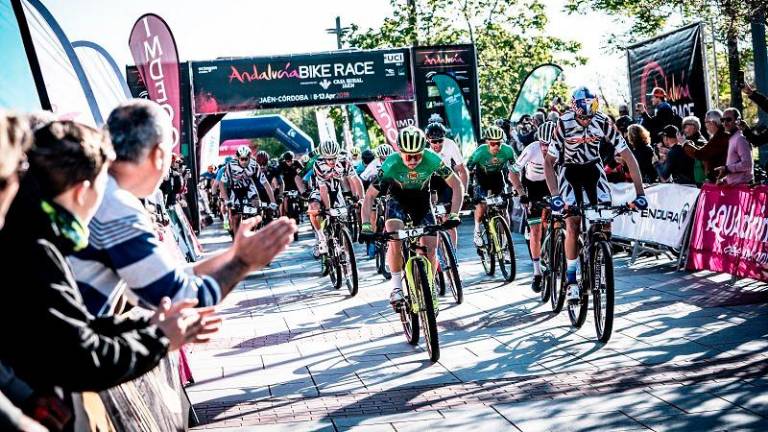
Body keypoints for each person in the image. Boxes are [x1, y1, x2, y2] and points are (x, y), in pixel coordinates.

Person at [0, 120, 222, 431]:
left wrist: (145, 325)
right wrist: (158, 338)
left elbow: (64, 329)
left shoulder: (35, 235)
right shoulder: (35, 246)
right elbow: (79, 356)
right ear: (83, 191)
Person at [71, 99, 296, 316]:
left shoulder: (98, 188)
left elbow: (147, 285)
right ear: (158, 154)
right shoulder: (116, 206)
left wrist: (233, 254)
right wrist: (243, 262)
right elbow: (177, 296)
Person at [543, 86, 647, 303]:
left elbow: (627, 155)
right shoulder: (563, 123)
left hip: (593, 169)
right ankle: (571, 279)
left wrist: (640, 192)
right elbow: (549, 162)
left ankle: (598, 254)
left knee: (604, 220)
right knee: (572, 222)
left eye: (589, 117)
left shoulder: (602, 121)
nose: (586, 122)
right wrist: (555, 195)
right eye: (582, 117)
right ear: (575, 110)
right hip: (568, 170)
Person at [359, 127, 464, 308]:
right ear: (400, 152)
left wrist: (454, 214)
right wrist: (366, 225)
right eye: (408, 156)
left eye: (417, 155)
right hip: (397, 200)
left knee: (431, 247)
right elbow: (369, 196)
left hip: (422, 202)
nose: (413, 160)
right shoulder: (390, 163)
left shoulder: (433, 159)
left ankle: (430, 284)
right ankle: (397, 287)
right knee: (394, 236)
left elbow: (457, 184)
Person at [509, 121, 555, 292]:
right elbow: (512, 173)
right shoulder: (531, 149)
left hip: (551, 185)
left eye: (549, 144)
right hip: (532, 187)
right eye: (543, 144)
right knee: (535, 230)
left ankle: (557, 248)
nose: (545, 148)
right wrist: (522, 194)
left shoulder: (562, 147)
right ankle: (536, 273)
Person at [306, 140, 364, 255]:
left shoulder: (344, 162)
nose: (332, 161)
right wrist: (327, 209)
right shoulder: (318, 164)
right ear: (323, 157)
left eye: (334, 158)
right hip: (319, 189)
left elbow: (355, 179)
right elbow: (323, 189)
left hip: (335, 190)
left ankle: (345, 252)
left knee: (342, 217)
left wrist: (361, 198)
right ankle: (321, 237)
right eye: (328, 159)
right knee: (314, 209)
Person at [467, 125, 517, 247]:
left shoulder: (508, 150)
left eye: (499, 143)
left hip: (497, 177)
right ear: (487, 142)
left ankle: (506, 241)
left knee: (504, 209)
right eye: (493, 143)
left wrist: (517, 186)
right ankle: (477, 230)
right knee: (482, 205)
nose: (496, 146)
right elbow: (467, 168)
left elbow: (515, 168)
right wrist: (468, 189)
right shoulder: (480, 152)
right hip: (482, 177)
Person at [425, 121, 469, 247]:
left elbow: (462, 170)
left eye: (440, 141)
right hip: (430, 180)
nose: (437, 144)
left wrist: (464, 192)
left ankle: (452, 257)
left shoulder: (450, 145)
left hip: (446, 179)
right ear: (428, 140)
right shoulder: (422, 148)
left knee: (448, 220)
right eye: (434, 141)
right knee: (430, 219)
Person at [220, 146, 276, 234]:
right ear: (238, 158)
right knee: (236, 216)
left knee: (257, 205)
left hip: (249, 188)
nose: (244, 161)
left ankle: (257, 227)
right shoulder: (230, 166)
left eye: (247, 159)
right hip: (236, 189)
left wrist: (273, 202)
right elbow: (221, 184)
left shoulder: (254, 165)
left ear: (250, 157)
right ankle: (235, 234)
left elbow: (266, 184)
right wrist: (226, 200)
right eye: (242, 159)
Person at [683, 109, 729, 183]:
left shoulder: (719, 137)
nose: (705, 125)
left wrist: (686, 145)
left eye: (706, 122)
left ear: (712, 122)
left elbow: (702, 154)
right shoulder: (720, 136)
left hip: (722, 181)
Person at [714, 108, 754, 185]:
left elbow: (747, 164)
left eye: (728, 119)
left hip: (742, 190)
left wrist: (727, 169)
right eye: (722, 120)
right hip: (735, 188)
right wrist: (725, 180)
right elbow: (735, 166)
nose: (725, 123)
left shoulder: (740, 139)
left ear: (738, 120)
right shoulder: (733, 137)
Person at [679, 116, 708, 184]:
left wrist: (684, 144)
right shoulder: (690, 140)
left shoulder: (700, 141)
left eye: (685, 127)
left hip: (698, 182)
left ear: (693, 126)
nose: (683, 130)